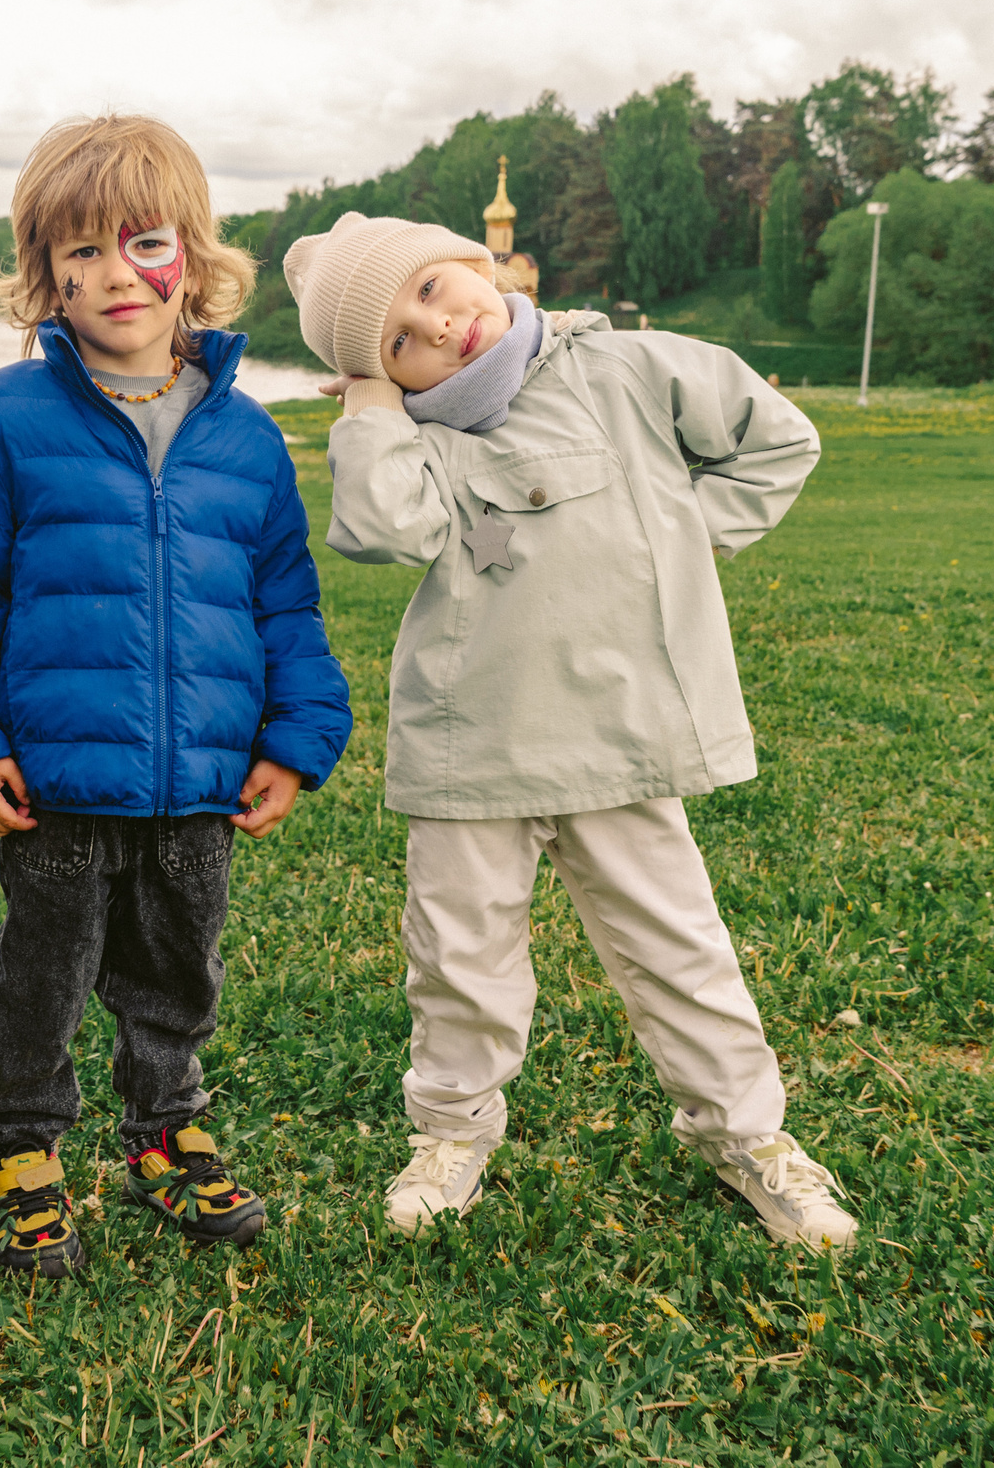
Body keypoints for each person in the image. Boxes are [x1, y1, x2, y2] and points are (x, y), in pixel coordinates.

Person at [288, 210, 856, 1251]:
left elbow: (781, 439)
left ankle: (745, 1135)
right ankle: (452, 1132)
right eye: (397, 344)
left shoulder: (633, 367)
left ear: (474, 261)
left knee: (679, 950)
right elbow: (377, 527)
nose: (437, 329)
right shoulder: (416, 433)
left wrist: (676, 547)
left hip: (619, 733)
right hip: (471, 741)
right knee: (459, 957)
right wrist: (370, 405)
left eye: (430, 290)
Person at [0, 115, 353, 1277]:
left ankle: (166, 1129)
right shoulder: (4, 421)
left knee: (177, 966)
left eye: (140, 243)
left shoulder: (246, 439)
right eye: (81, 254)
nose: (115, 275)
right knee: (41, 975)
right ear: (44, 277)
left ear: (192, 259)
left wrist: (296, 742)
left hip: (200, 779)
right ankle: (20, 1146)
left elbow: (284, 605)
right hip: (55, 779)